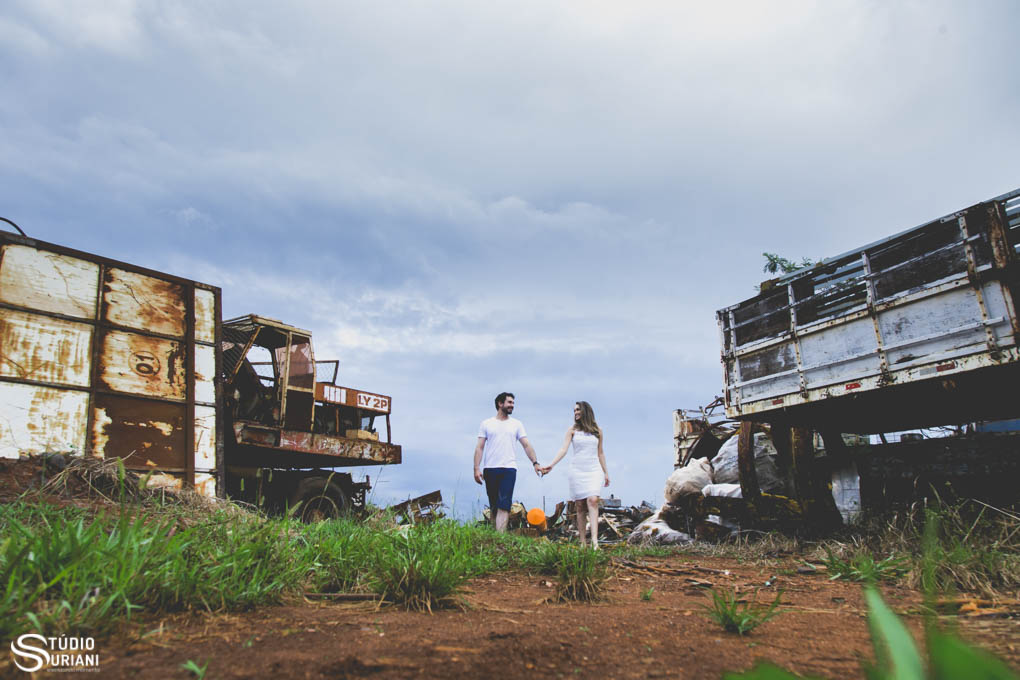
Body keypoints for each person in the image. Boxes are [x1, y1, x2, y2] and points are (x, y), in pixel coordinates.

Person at [539, 401, 609, 549]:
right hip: (577, 469)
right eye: (574, 410)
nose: (576, 412)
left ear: (585, 411)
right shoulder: (572, 430)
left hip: (594, 469)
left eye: (578, 409)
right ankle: (583, 541)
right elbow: (563, 450)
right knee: (580, 505)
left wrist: (606, 472)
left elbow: (600, 453)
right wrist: (551, 464)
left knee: (593, 500)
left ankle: (595, 541)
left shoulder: (598, 430)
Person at [473, 392, 542, 532]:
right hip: (490, 468)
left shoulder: (516, 424)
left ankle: (500, 537)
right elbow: (479, 447)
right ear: (500, 403)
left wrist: (535, 463)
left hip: (509, 469)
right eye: (509, 402)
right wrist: (476, 468)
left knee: (504, 504)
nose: (512, 405)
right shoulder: (486, 424)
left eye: (513, 403)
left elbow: (526, 445)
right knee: (493, 505)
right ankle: (494, 536)